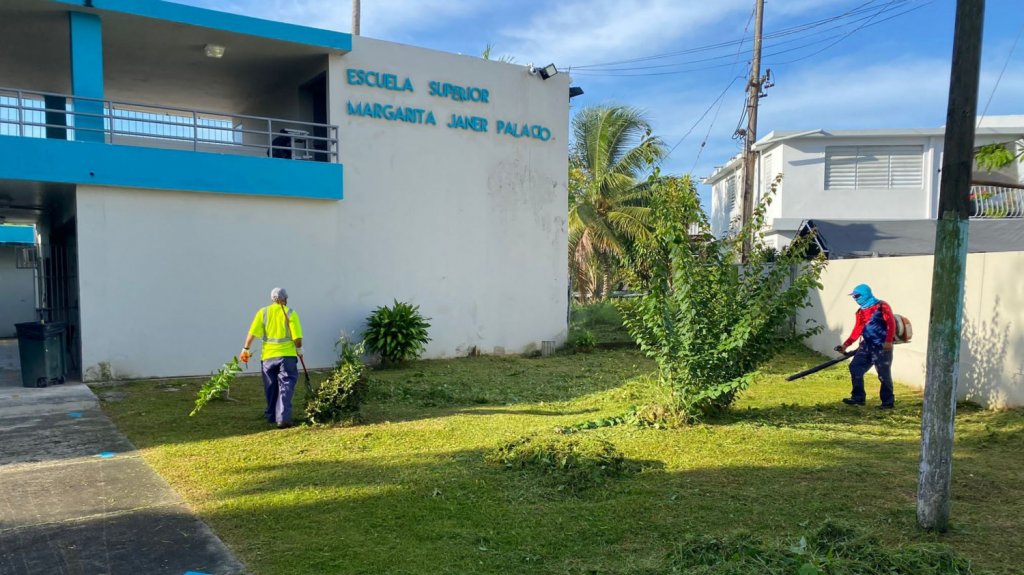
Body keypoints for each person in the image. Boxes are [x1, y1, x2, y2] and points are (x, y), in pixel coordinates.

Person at [241, 288, 304, 428]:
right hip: (286, 356)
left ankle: (271, 415)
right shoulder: (290, 313)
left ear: (272, 299)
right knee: (286, 385)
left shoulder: (263, 312)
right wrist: (299, 349)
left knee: (271, 386)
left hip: (268, 357)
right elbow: (297, 338)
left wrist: (245, 349)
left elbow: (252, 333)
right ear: (285, 299)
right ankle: (282, 418)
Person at [835, 283, 896, 409]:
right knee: (855, 367)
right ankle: (858, 397)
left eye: (857, 296)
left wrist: (888, 341)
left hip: (881, 347)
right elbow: (857, 329)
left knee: (883, 374)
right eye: (854, 297)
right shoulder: (861, 312)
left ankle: (888, 402)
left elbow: (891, 324)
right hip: (866, 346)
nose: (855, 299)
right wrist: (845, 345)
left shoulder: (881, 306)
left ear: (865, 294)